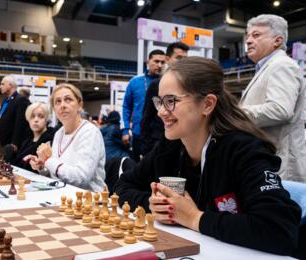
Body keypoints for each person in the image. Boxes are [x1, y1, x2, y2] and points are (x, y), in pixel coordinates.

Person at [114, 57, 301, 255]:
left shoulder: (244, 150)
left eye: (171, 101)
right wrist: (155, 205)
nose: (161, 112)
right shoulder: (169, 146)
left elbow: (280, 230)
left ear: (207, 104)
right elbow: (122, 187)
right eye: (159, 102)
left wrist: (195, 218)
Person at [240, 14, 306, 183]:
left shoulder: (281, 66)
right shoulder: (268, 67)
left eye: (256, 35)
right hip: (270, 159)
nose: (248, 40)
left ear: (277, 40)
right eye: (248, 36)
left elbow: (280, 110)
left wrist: (236, 114)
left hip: (282, 164)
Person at [28, 83, 106, 192]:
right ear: (54, 110)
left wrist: (48, 160)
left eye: (68, 99)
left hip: (87, 200)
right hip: (61, 195)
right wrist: (42, 167)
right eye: (58, 102)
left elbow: (81, 177)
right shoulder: (59, 133)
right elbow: (57, 176)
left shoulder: (90, 132)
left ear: (80, 105)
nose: (62, 105)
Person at [141, 42, 189, 155]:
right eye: (179, 58)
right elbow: (147, 117)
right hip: (159, 141)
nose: (183, 62)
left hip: (182, 141)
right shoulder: (156, 84)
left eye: (185, 58)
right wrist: (146, 146)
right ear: (168, 59)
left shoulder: (188, 84)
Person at [122, 49, 166, 162]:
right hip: (138, 133)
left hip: (160, 134)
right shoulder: (135, 82)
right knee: (136, 167)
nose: (160, 65)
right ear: (148, 62)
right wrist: (126, 129)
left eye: (162, 62)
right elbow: (126, 106)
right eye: (156, 61)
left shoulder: (168, 82)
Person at [12, 102, 54, 172]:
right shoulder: (26, 141)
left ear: (46, 120)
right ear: (28, 120)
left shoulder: (51, 141)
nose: (36, 120)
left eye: (41, 116)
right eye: (32, 116)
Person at [0, 75, 31, 157]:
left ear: (10, 85)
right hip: (1, 141)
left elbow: (20, 123)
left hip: (10, 144)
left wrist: (15, 143)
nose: (0, 86)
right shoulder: (5, 100)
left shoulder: (20, 100)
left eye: (2, 84)